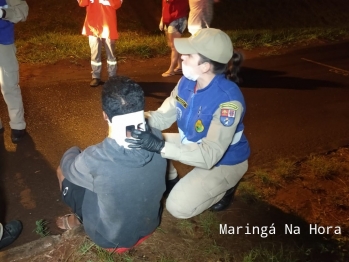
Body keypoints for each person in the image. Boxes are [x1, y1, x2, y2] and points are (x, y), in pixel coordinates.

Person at [127, 28, 250, 219]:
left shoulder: (228, 102)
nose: (182, 57)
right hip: (194, 144)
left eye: (189, 55)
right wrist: (132, 117)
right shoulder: (186, 83)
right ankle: (172, 179)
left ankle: (227, 185)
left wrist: (160, 146)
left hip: (224, 160)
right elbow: (161, 117)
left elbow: (210, 155)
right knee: (142, 141)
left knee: (177, 207)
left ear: (205, 66)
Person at [56, 76, 167, 251]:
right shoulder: (158, 137)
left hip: (109, 239)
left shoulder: (94, 158)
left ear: (105, 115)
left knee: (63, 172)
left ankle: (77, 219)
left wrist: (73, 149)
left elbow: (68, 168)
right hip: (149, 225)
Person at [0, 0, 29, 143]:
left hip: (3, 42)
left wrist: (3, 12)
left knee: (9, 84)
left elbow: (23, 11)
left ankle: (17, 125)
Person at [77, 0, 123, 87]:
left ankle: (112, 77)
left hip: (108, 25)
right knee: (94, 52)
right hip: (92, 25)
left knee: (111, 54)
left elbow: (118, 4)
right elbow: (81, 3)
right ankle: (96, 76)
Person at [159, 0, 189, 77]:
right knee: (173, 45)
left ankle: (171, 70)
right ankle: (180, 66)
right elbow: (164, 6)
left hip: (178, 19)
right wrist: (162, 20)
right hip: (168, 20)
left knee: (174, 46)